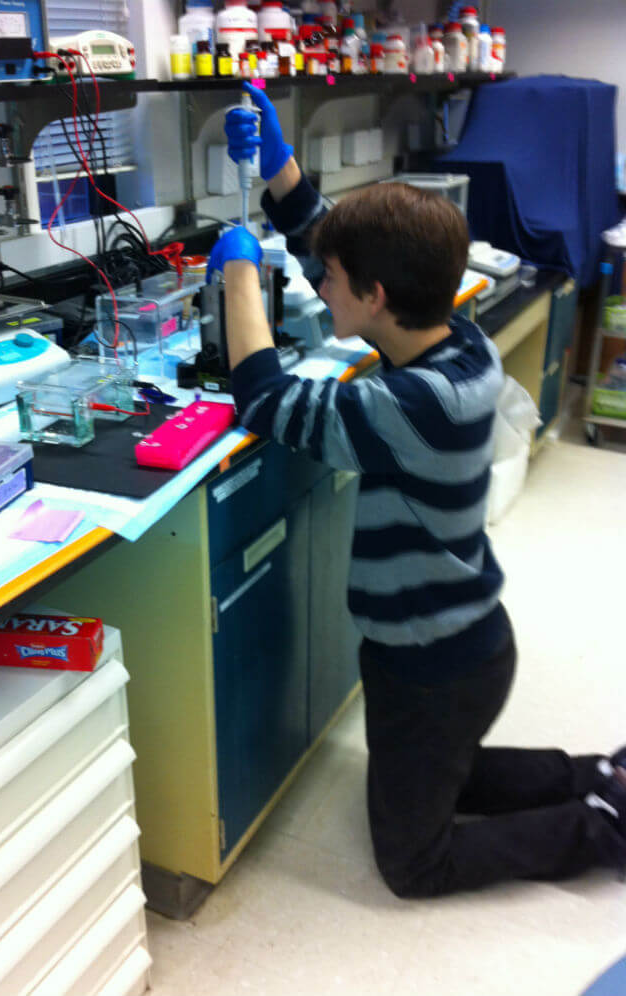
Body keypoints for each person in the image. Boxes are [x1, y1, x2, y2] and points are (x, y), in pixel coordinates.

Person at [205, 81, 626, 898]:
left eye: (330, 279)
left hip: (434, 662)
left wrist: (240, 287)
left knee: (412, 862)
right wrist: (282, 174)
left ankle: (600, 827)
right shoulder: (453, 338)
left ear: (377, 298)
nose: (319, 285)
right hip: (451, 641)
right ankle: (596, 772)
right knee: (443, 773)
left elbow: (266, 401)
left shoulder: (408, 405)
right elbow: (336, 247)